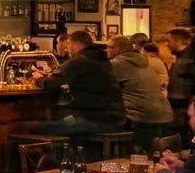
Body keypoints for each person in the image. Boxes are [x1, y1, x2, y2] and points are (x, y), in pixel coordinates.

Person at [36, 31, 125, 159]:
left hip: (95, 119)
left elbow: (50, 83)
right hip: (114, 116)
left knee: (45, 129)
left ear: (77, 44)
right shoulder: (100, 58)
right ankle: (80, 163)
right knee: (72, 132)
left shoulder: (80, 60)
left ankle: (56, 168)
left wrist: (37, 78)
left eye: (68, 44)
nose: (66, 48)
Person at [107, 36, 174, 149]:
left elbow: (102, 87)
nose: (106, 50)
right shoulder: (144, 62)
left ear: (117, 49)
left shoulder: (117, 64)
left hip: (141, 117)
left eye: (108, 47)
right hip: (164, 114)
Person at [166, 28, 195, 136]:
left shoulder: (184, 62)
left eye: (169, 41)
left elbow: (178, 94)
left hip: (187, 112)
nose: (167, 45)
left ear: (179, 41)